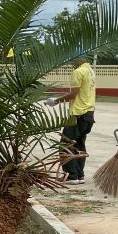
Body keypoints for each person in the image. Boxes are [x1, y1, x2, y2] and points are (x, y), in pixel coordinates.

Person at [52, 56, 95, 184]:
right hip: (88, 113)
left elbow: (73, 94)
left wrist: (55, 101)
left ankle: (71, 175)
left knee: (65, 144)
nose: (72, 64)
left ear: (79, 59)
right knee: (79, 145)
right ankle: (79, 174)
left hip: (78, 113)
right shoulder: (90, 71)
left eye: (73, 61)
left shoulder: (78, 72)